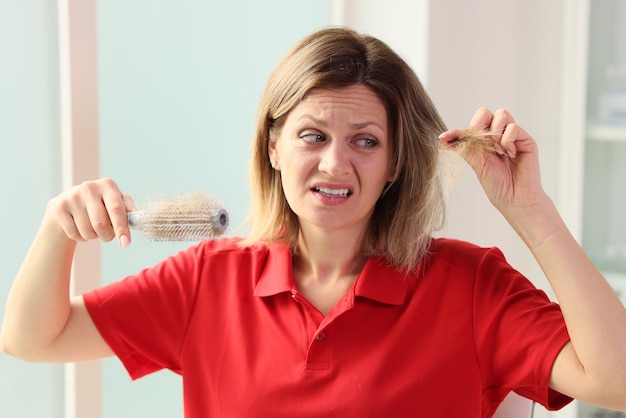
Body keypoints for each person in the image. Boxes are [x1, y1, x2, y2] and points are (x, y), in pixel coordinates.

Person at [1, 27, 625, 418]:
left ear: (395, 162)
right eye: (312, 135)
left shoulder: (470, 286)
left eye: (365, 141)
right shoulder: (208, 281)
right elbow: (33, 339)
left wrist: (532, 214)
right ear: (273, 148)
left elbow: (616, 381)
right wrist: (59, 229)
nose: (335, 162)